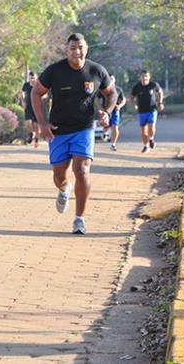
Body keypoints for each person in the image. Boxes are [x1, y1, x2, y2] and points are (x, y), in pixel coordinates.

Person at [31, 33, 116, 234]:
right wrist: (42, 123)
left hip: (84, 128)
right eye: (73, 48)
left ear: (86, 48)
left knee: (82, 170)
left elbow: (111, 93)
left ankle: (79, 219)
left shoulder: (97, 71)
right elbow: (36, 93)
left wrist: (107, 111)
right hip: (58, 130)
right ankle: (64, 189)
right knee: (59, 175)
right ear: (66, 50)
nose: (77, 52)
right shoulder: (55, 71)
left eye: (80, 47)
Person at [130, 70, 164, 153]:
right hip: (142, 110)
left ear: (149, 77)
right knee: (143, 130)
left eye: (146, 76)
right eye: (143, 76)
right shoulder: (137, 87)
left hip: (152, 109)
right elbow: (131, 97)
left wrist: (160, 102)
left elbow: (160, 92)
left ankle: (151, 139)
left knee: (151, 126)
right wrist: (133, 104)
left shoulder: (153, 85)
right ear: (140, 77)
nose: (144, 78)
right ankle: (146, 145)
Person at [97, 74, 126, 151]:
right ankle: (105, 133)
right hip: (105, 111)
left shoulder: (118, 89)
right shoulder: (103, 89)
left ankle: (113, 144)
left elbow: (124, 100)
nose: (111, 80)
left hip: (115, 111)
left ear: (115, 80)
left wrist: (120, 106)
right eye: (109, 79)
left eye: (112, 79)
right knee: (106, 126)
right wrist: (101, 108)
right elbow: (97, 100)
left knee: (115, 126)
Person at [21, 71, 41, 147]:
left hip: (37, 107)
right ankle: (30, 135)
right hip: (28, 106)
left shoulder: (38, 85)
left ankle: (37, 140)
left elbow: (45, 94)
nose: (32, 80)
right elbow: (22, 92)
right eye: (30, 78)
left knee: (36, 125)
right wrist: (23, 101)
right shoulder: (26, 85)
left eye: (33, 78)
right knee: (28, 123)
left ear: (36, 78)